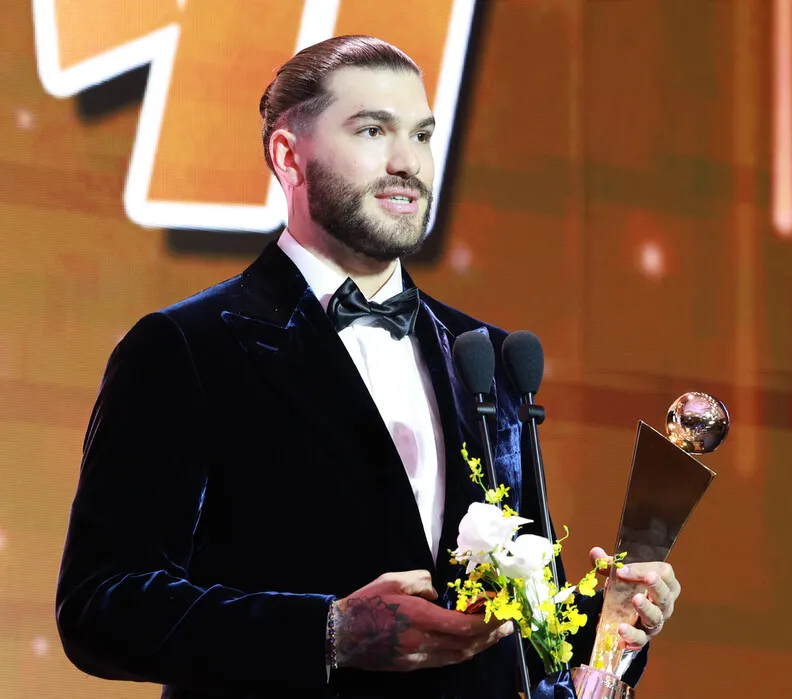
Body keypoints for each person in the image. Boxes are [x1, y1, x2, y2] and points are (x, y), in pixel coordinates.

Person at [54, 35, 680, 699]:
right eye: (373, 130)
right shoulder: (187, 347)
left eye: (422, 134)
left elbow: (514, 638)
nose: (407, 162)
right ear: (289, 156)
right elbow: (100, 604)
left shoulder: (486, 357)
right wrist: (329, 632)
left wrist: (605, 626)